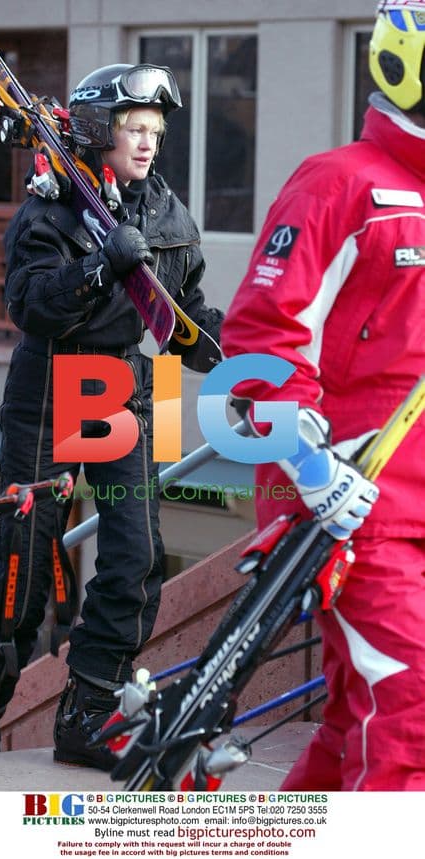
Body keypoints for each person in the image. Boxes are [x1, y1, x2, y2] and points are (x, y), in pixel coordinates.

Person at [0, 63, 223, 768]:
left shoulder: (169, 215)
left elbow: (185, 319)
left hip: (135, 379)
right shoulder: (50, 209)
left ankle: (88, 711)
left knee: (136, 557)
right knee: (23, 566)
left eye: (154, 132)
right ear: (100, 130)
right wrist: (99, 268)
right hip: (53, 377)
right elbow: (31, 305)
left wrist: (240, 344)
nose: (146, 143)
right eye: (133, 129)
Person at [221, 0, 425, 791]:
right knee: (408, 715)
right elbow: (260, 349)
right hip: (354, 505)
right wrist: (309, 467)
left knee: (351, 723)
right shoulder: (341, 184)